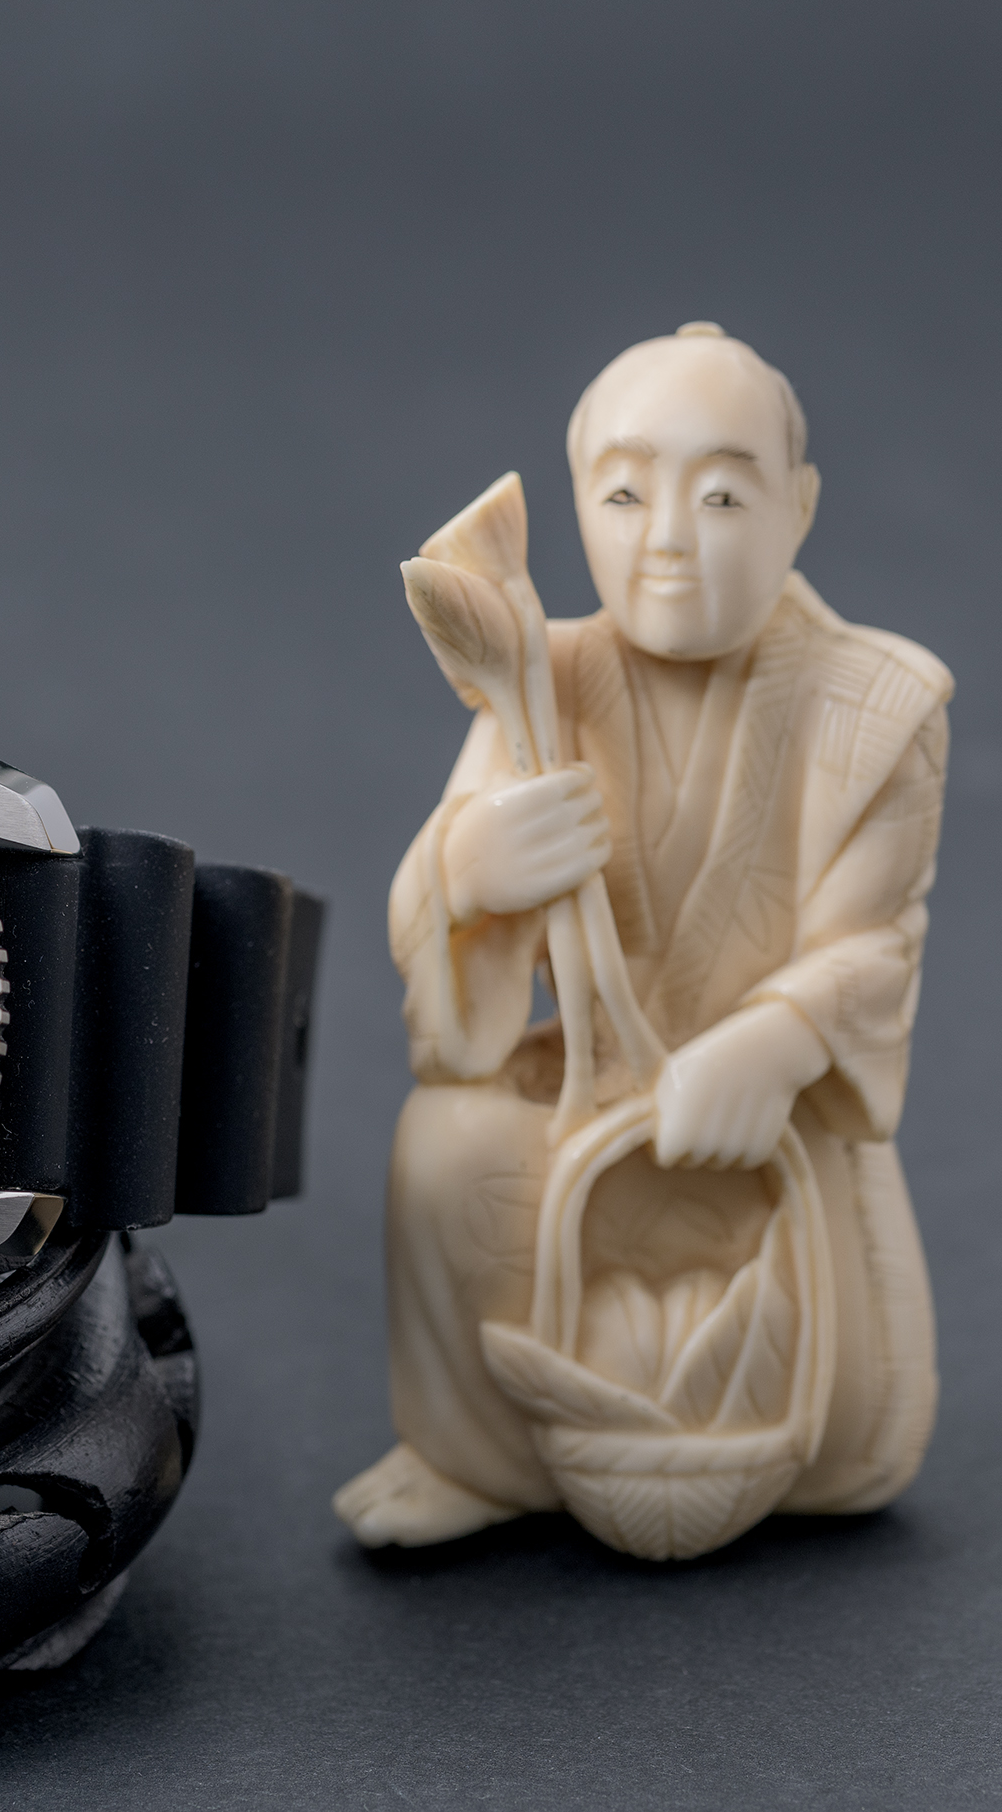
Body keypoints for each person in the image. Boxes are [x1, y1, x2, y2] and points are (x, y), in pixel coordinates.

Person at [337, 324, 951, 1548]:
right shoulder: (539, 679)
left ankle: (788, 1422)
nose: (667, 534)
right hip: (586, 1104)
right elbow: (442, 957)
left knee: (844, 1433)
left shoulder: (882, 702)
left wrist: (773, 1040)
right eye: (623, 494)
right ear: (577, 509)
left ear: (797, 508)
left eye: (720, 495)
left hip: (772, 1128)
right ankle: (475, 1451)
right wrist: (468, 874)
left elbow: (875, 943)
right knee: (446, 1141)